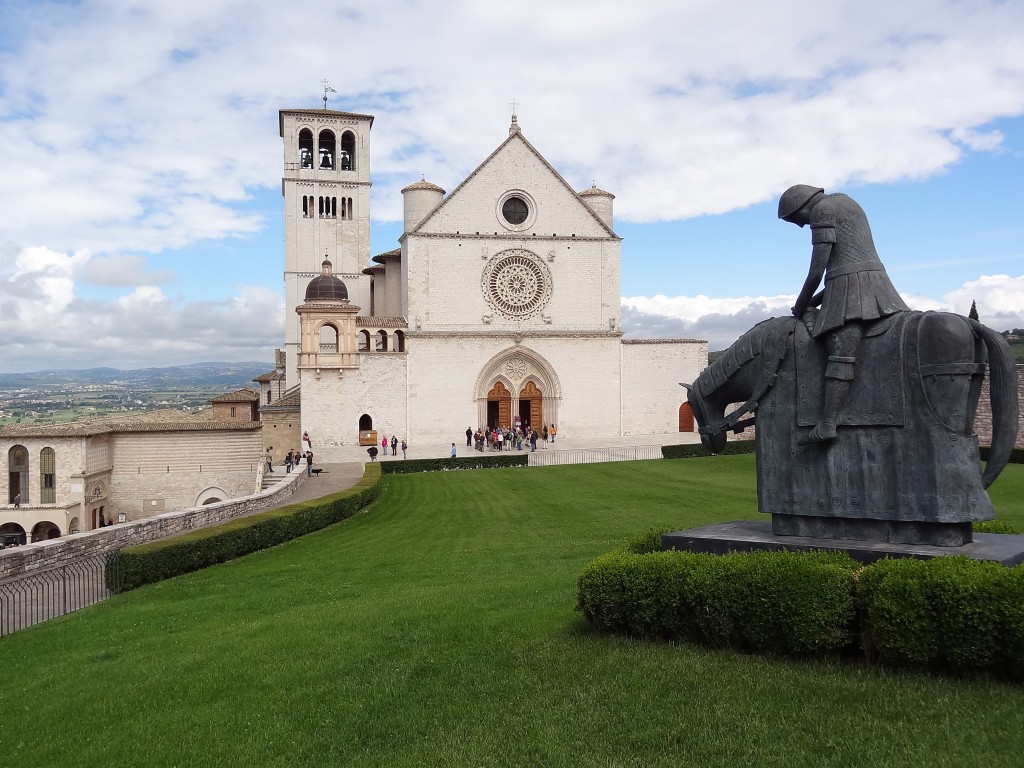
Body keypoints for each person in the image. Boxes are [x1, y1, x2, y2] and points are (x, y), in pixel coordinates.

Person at [779, 184, 910, 443]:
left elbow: (818, 270)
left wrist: (801, 302)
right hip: (868, 283)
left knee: (840, 354)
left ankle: (828, 423)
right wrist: (812, 303)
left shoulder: (822, 210)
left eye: (796, 220)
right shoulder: (847, 202)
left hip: (855, 290)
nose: (801, 226)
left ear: (800, 206)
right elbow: (839, 276)